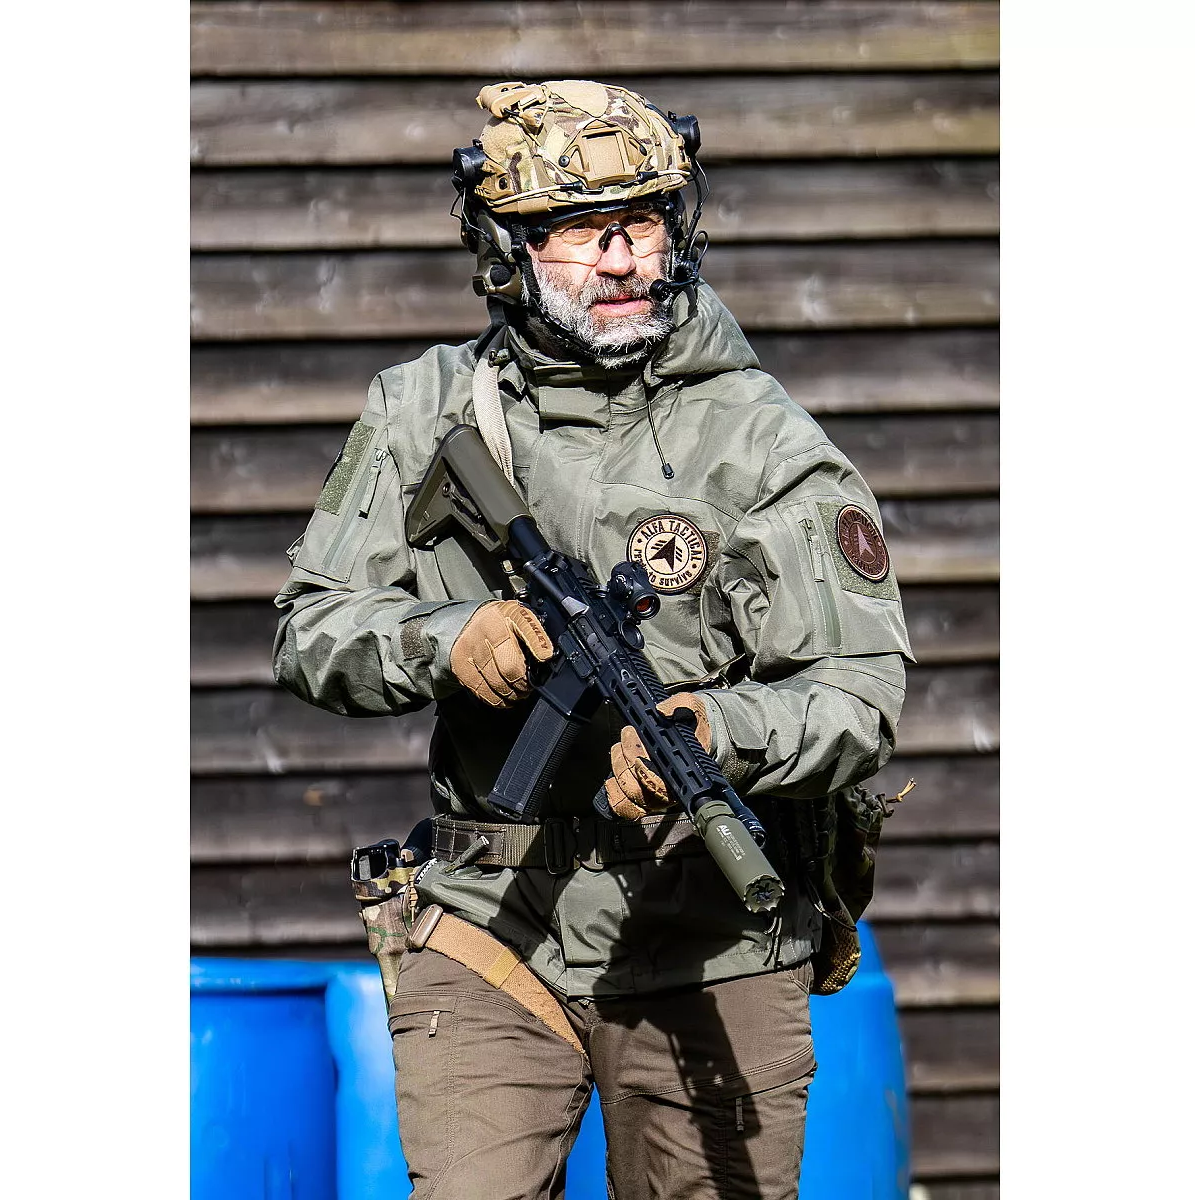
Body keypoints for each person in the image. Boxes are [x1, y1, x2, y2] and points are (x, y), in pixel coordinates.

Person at [274, 78, 913, 1200]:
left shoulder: (766, 446)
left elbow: (859, 695)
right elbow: (310, 628)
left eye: (644, 221)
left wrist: (720, 728)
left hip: (705, 936)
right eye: (580, 228)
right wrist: (450, 640)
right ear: (508, 249)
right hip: (492, 922)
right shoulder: (425, 412)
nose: (620, 258)